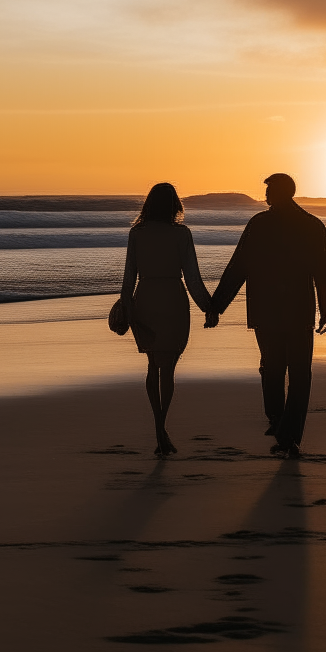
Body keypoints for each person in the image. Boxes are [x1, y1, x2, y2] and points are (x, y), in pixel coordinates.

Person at [210, 173, 326, 458]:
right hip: (297, 309)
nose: (265, 196)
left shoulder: (261, 224)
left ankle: (280, 426)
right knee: (298, 374)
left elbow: (238, 267)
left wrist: (217, 305)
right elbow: (323, 271)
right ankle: (287, 433)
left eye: (269, 190)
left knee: (273, 369)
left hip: (267, 310)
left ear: (282, 192)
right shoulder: (311, 225)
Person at [121, 182, 215, 457]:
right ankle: (162, 429)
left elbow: (129, 277)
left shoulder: (137, 233)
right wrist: (208, 307)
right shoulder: (181, 234)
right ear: (175, 205)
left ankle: (159, 429)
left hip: (146, 297)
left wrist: (128, 307)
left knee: (153, 364)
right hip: (173, 298)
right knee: (169, 368)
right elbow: (193, 278)